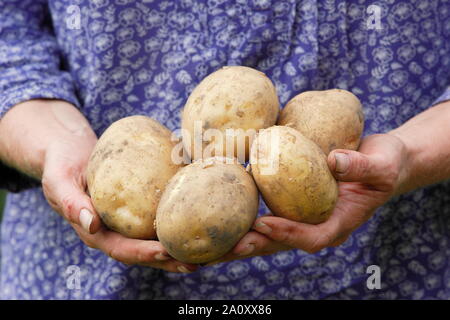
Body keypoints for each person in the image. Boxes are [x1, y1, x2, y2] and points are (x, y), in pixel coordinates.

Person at [0, 0, 449, 300]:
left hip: (392, 267)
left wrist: (411, 154)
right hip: (83, 282)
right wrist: (53, 138)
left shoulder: (278, 140)